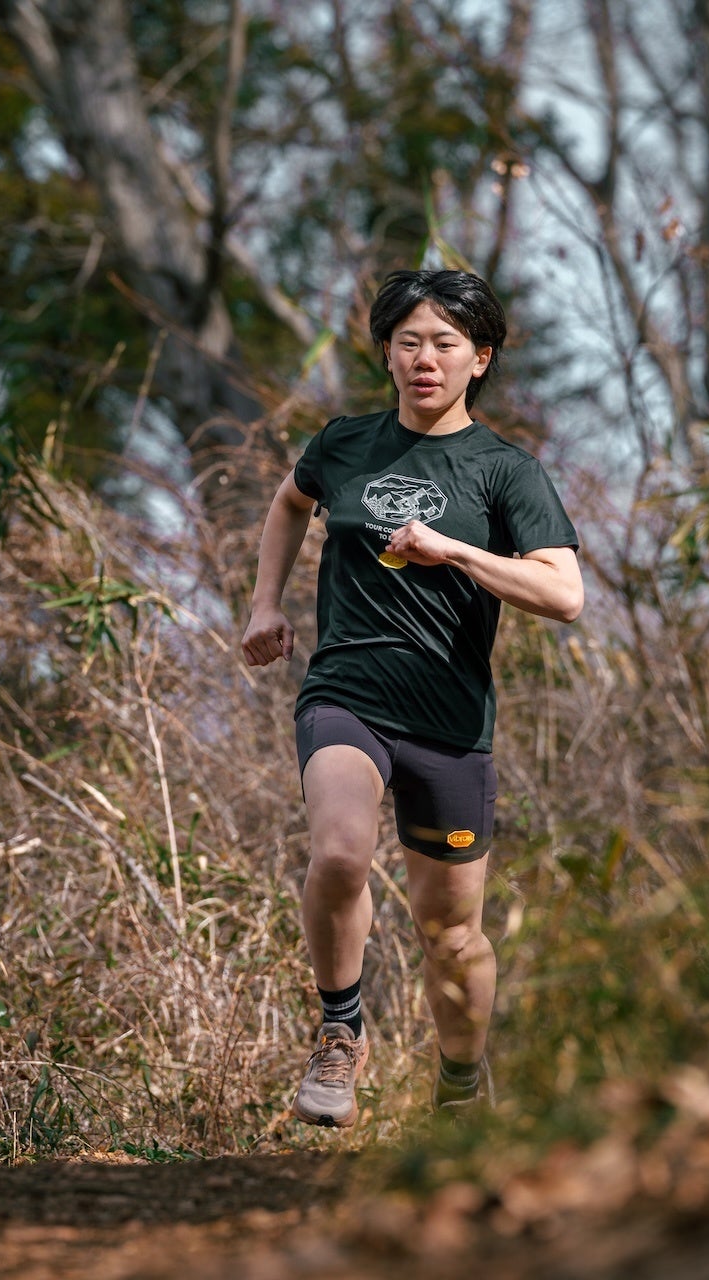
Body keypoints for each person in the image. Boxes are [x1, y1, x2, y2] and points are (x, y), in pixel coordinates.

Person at [240, 269, 583, 1126]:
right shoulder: (346, 444)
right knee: (341, 852)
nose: (425, 358)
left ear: (481, 359)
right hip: (346, 691)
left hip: (451, 722)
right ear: (386, 355)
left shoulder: (506, 471)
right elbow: (289, 504)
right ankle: (340, 1032)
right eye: (408, 342)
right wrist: (264, 605)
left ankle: (463, 1087)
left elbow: (563, 594)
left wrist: (457, 552)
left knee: (452, 934)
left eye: (445, 343)